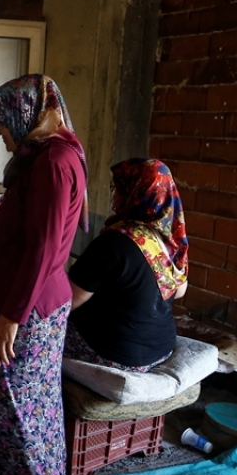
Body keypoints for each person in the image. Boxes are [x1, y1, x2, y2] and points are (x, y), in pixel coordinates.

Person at [0, 74, 87, 475]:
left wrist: (11, 315)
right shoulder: (44, 156)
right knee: (21, 407)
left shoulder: (53, 162)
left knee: (21, 412)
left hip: (31, 313)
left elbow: (43, 249)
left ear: (25, 114)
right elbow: (22, 243)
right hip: (24, 301)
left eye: (2, 122)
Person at [67, 158, 188, 371]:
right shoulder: (170, 240)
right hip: (162, 348)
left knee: (30, 330)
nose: (113, 194)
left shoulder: (114, 243)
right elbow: (179, 292)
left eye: (117, 187)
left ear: (135, 192)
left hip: (120, 355)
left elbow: (66, 302)